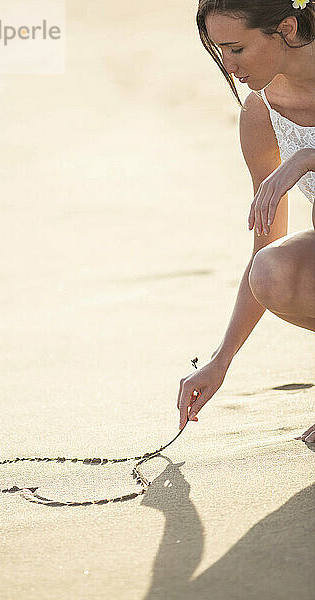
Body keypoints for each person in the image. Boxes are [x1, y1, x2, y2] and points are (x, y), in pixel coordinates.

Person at [177, 0, 315, 442]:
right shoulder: (260, 112)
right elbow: (266, 242)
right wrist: (221, 360)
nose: (229, 65)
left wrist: (308, 159)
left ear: (287, 27)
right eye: (219, 51)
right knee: (272, 272)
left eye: (236, 49)